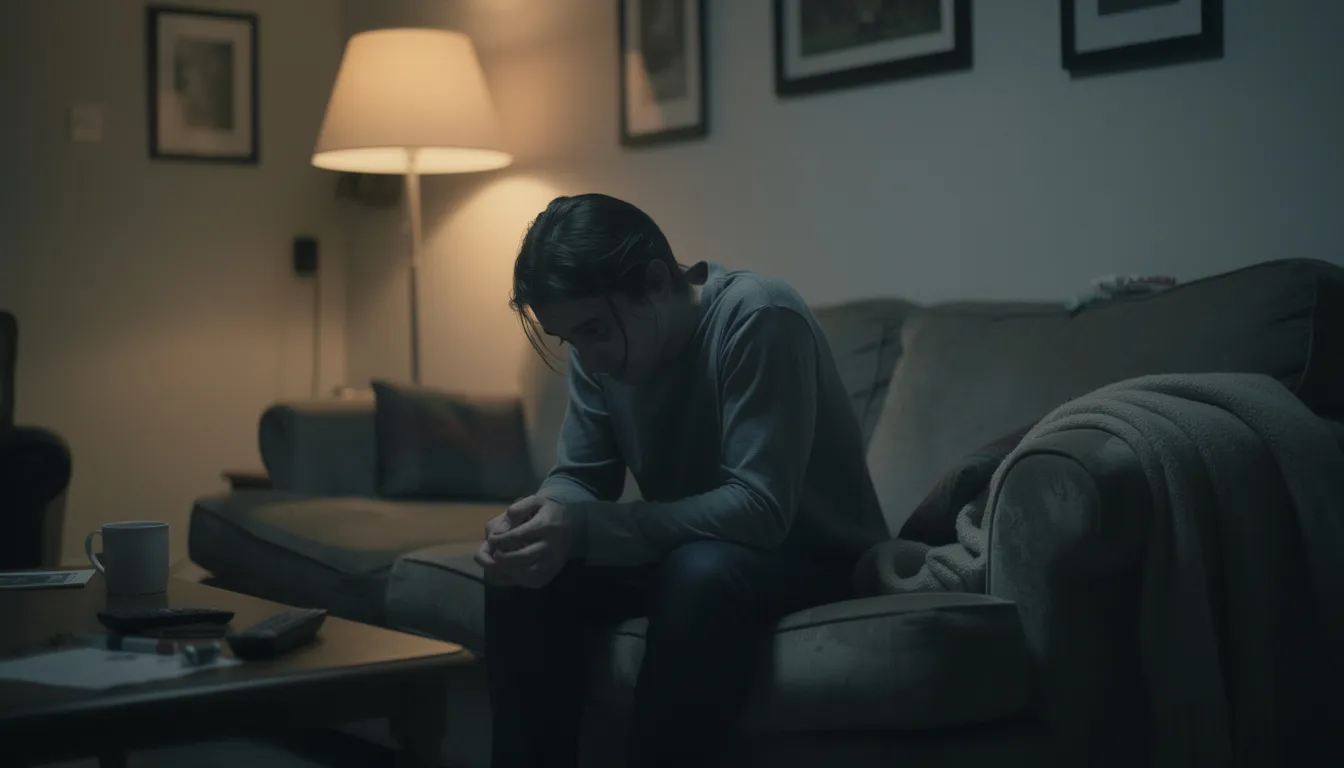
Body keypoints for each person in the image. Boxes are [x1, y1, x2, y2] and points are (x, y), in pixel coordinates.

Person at [476, 193, 888, 768]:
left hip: (812, 556)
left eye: (595, 330)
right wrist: (542, 518)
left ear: (655, 282)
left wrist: (586, 529)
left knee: (699, 570)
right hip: (692, 555)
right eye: (571, 340)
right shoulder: (600, 355)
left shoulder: (759, 315)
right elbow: (581, 475)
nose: (589, 359)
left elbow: (759, 509)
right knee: (526, 575)